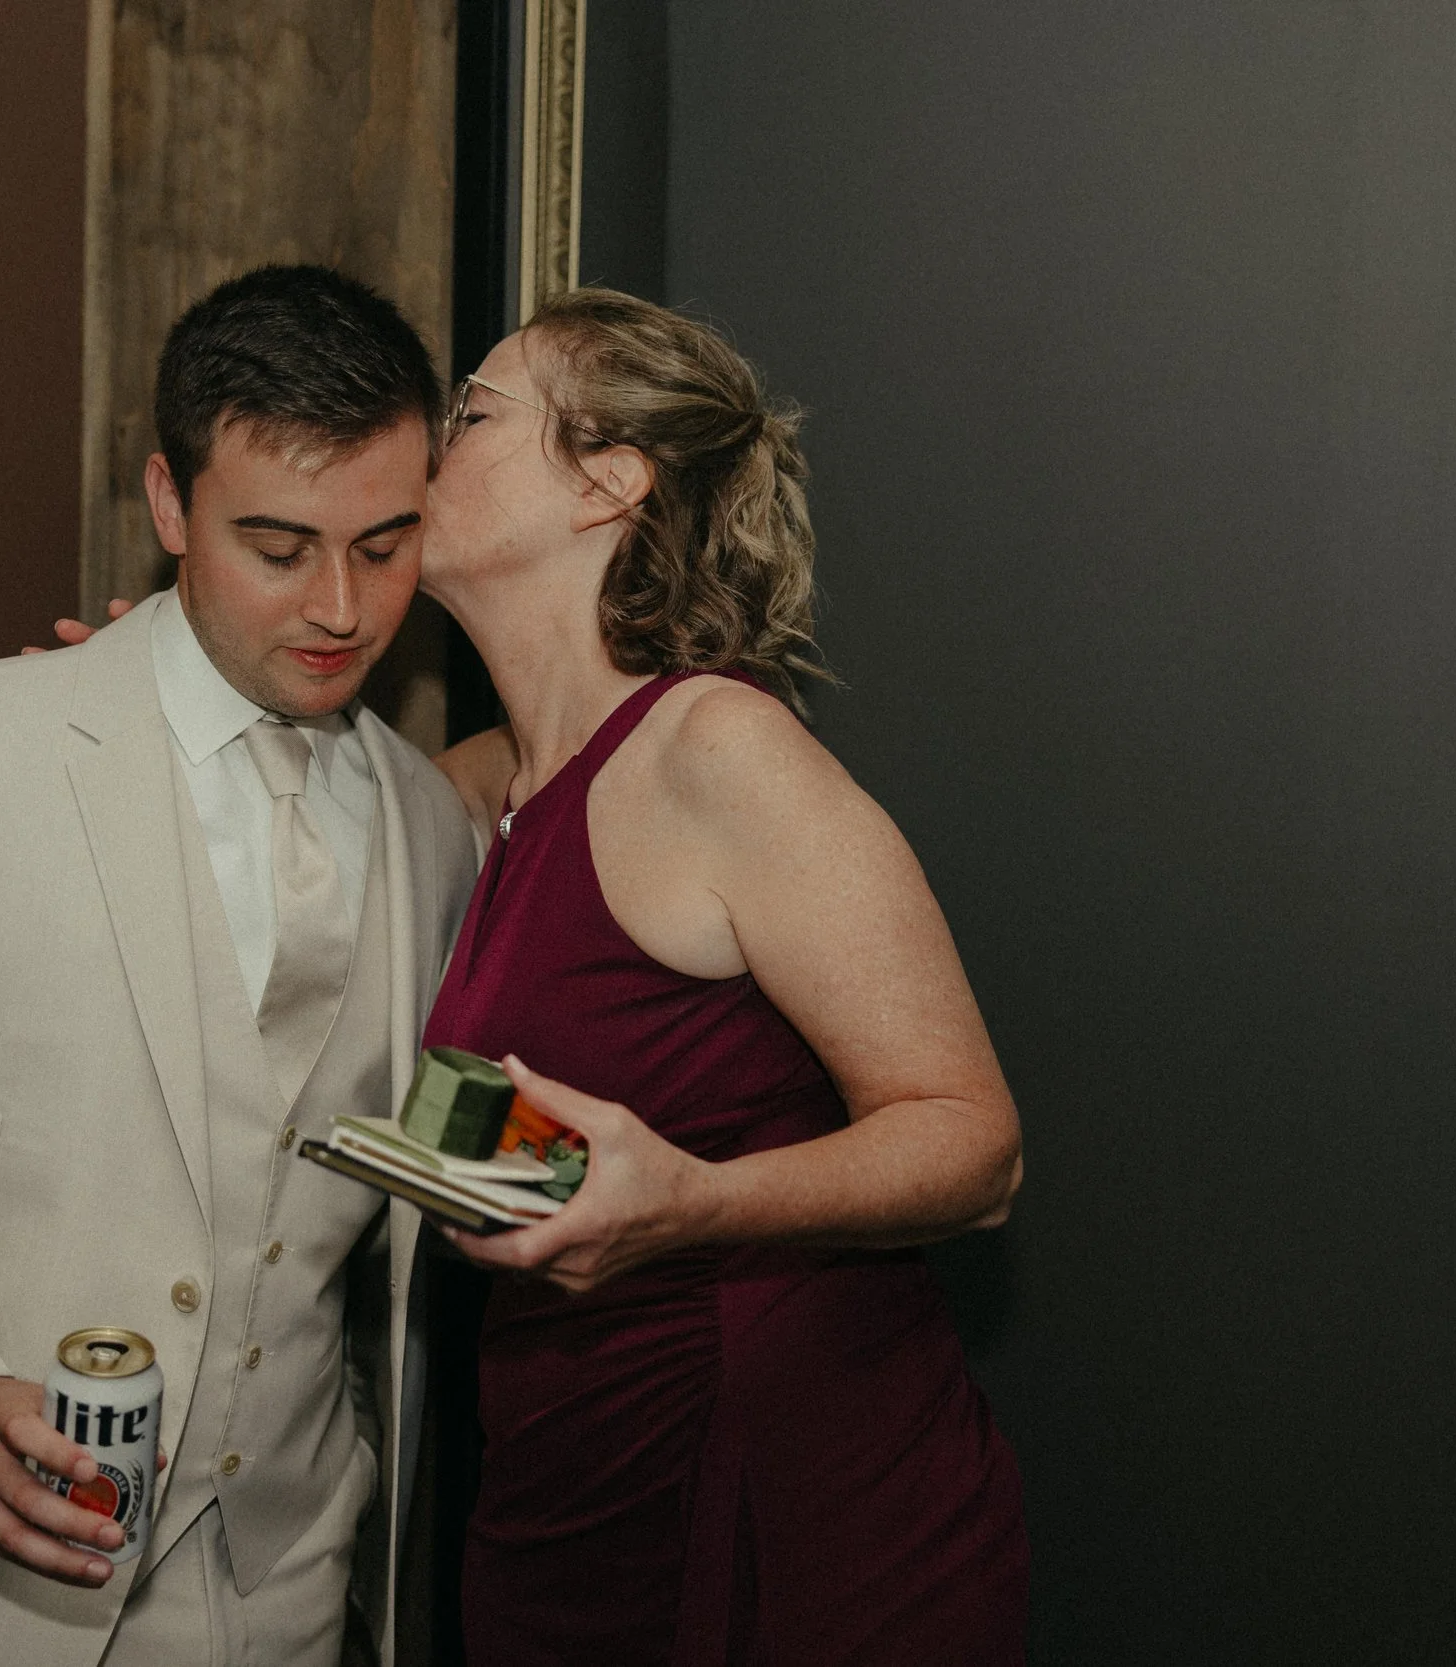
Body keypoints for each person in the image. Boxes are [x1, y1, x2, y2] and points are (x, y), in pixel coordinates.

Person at [0, 265, 480, 1667]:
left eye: (385, 545)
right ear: (167, 504)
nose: (341, 605)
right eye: (278, 545)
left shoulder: (430, 823)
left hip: (281, 1588)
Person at [416, 289, 1031, 1664]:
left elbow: (973, 1144)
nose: (425, 447)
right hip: (570, 1481)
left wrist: (693, 1197)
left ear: (608, 481)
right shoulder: (487, 780)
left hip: (784, 1494)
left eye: (471, 414)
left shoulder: (716, 751)